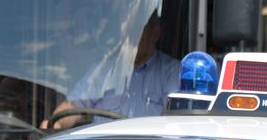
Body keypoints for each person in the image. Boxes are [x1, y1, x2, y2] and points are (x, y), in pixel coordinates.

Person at [42, 12, 180, 130]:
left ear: (155, 33)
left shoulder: (172, 72)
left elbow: (171, 119)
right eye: (124, 28)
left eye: (134, 28)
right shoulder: (102, 70)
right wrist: (56, 124)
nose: (128, 34)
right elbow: (73, 106)